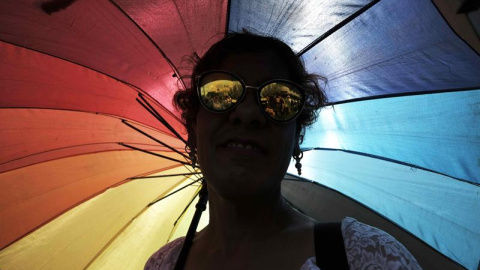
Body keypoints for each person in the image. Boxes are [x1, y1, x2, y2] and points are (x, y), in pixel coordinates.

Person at [145, 32, 422, 270]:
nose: (248, 113)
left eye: (279, 99)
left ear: (296, 138)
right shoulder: (164, 264)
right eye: (220, 92)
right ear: (193, 130)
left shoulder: (364, 258)